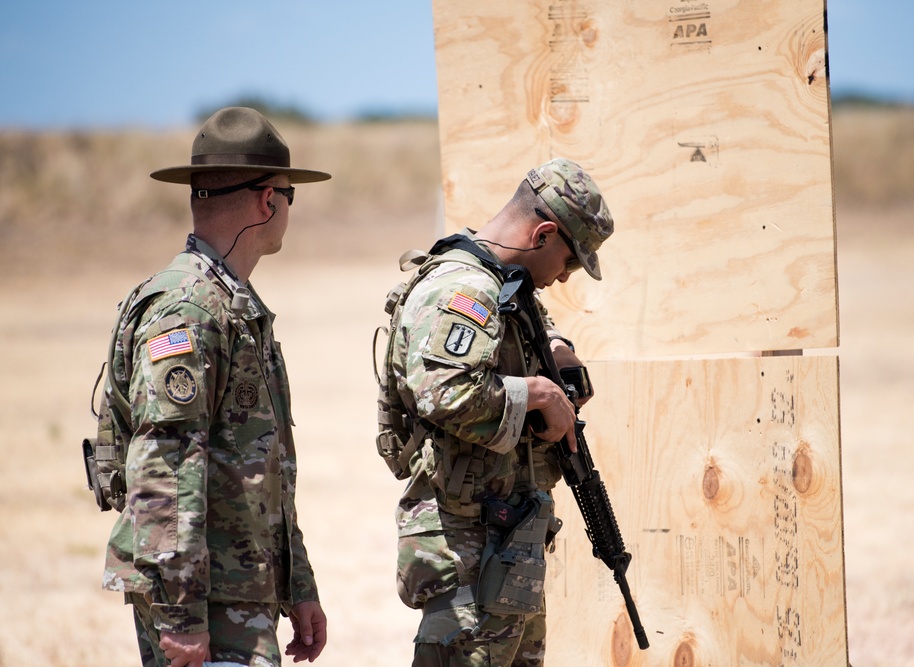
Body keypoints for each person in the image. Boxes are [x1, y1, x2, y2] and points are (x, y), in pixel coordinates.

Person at [98, 107, 330, 667]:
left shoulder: (233, 307)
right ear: (268, 200)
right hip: (206, 604)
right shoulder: (191, 309)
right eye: (289, 196)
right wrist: (180, 615)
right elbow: (165, 472)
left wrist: (297, 585)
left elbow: (259, 468)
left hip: (239, 595)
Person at [382, 158, 614, 666]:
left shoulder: (502, 282)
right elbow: (443, 393)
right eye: (571, 261)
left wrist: (557, 348)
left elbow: (519, 334)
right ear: (543, 233)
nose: (565, 277)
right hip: (469, 547)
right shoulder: (464, 288)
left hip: (504, 541)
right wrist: (539, 395)